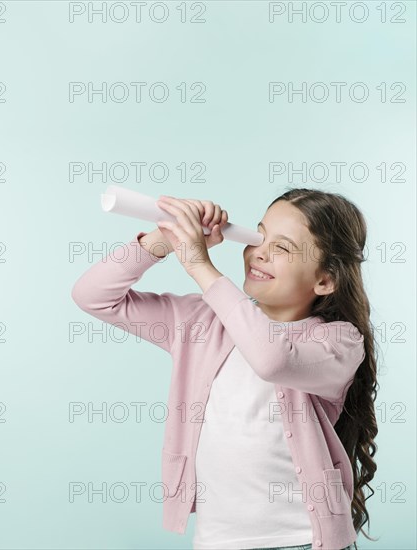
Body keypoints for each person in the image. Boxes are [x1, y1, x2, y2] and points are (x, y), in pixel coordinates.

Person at [71, 188, 379, 550]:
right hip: (219, 541)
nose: (259, 252)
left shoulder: (338, 342)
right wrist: (165, 238)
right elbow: (92, 296)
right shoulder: (199, 322)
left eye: (281, 248)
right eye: (260, 236)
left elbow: (272, 358)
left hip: (301, 539)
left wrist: (201, 266)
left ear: (325, 280)